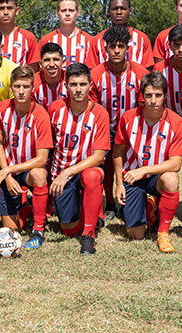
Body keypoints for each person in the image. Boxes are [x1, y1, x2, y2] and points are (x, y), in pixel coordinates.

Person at [113, 71, 182, 252]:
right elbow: (118, 152)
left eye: (158, 95)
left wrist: (144, 170)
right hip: (132, 177)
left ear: (165, 96)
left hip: (155, 177)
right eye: (148, 95)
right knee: (136, 234)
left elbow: (176, 164)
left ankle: (163, 233)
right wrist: (119, 184)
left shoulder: (176, 122)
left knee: (171, 178)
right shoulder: (128, 118)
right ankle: (149, 206)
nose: (153, 100)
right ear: (142, 96)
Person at [49, 63, 111, 255]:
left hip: (85, 170)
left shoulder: (100, 113)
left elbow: (99, 156)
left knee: (92, 176)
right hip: (61, 173)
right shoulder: (55, 109)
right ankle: (92, 213)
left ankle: (89, 235)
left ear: (90, 85)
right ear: (65, 86)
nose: (78, 89)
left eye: (82, 84)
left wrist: (67, 172)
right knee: (68, 230)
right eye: (73, 84)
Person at [89, 26, 149, 219]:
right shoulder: (96, 74)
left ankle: (130, 200)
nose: (116, 50)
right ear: (105, 48)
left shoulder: (140, 73)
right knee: (105, 166)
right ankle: (111, 204)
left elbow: (142, 106)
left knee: (130, 165)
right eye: (112, 46)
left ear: (127, 48)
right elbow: (94, 109)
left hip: (132, 128)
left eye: (120, 46)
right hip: (104, 128)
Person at [0, 67, 53, 250]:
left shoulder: (40, 114)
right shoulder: (3, 107)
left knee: (39, 174)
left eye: (25, 86)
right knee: (13, 230)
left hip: (27, 170)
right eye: (17, 86)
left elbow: (42, 159)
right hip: (8, 170)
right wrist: (8, 176)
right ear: (11, 87)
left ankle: (38, 230)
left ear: (32, 88)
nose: (21, 91)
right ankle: (27, 207)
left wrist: (9, 170)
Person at [90, 0, 154, 69]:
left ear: (130, 12)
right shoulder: (97, 39)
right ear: (109, 12)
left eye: (123, 9)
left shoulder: (142, 38)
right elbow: (92, 70)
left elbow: (147, 70)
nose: (119, 12)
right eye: (115, 9)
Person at [39, 0, 95, 68]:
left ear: (77, 13)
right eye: (63, 10)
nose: (67, 14)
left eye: (71, 10)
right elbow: (40, 70)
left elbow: (92, 70)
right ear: (57, 13)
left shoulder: (89, 40)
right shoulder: (46, 40)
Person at [0, 0, 39, 70]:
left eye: (10, 8)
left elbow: (33, 71)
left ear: (17, 11)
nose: (6, 12)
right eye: (1, 8)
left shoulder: (28, 37)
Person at [32, 43, 68, 108]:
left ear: (63, 62)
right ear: (40, 64)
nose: (51, 64)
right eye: (47, 60)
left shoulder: (71, 81)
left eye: (56, 59)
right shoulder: (33, 83)